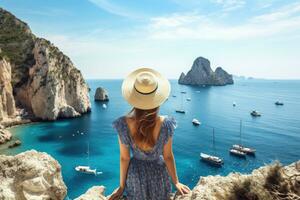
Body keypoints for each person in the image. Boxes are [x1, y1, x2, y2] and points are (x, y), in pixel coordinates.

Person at [109, 68, 190, 200]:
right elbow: (168, 156)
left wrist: (121, 187)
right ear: (157, 98)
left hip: (136, 175)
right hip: (159, 174)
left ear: (134, 97)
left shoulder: (123, 124)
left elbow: (125, 158)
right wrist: (176, 182)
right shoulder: (166, 124)